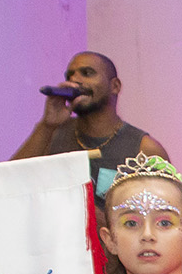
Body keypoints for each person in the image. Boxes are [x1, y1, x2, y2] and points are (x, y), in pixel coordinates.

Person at [13, 52, 169, 196]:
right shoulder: (52, 134)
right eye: (69, 76)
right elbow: (8, 183)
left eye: (87, 73)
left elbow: (164, 214)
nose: (74, 80)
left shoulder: (144, 149)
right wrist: (47, 125)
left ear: (115, 86)